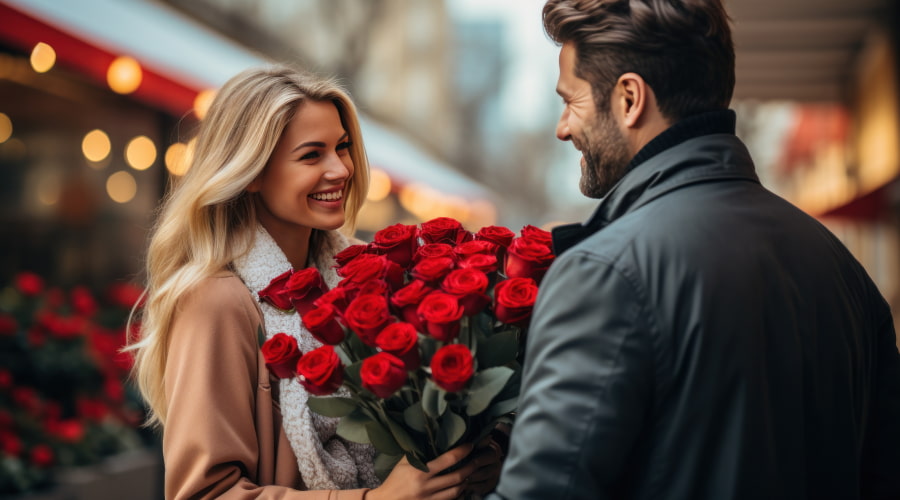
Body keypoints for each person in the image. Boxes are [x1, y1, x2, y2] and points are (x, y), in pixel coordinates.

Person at [488, 1, 900, 499]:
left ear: (629, 99)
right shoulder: (842, 267)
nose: (563, 127)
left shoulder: (604, 273)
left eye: (571, 101)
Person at [127, 65, 501, 499]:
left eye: (342, 148)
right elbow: (205, 494)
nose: (341, 169)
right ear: (252, 173)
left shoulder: (363, 278)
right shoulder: (217, 301)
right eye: (311, 155)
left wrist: (471, 457)